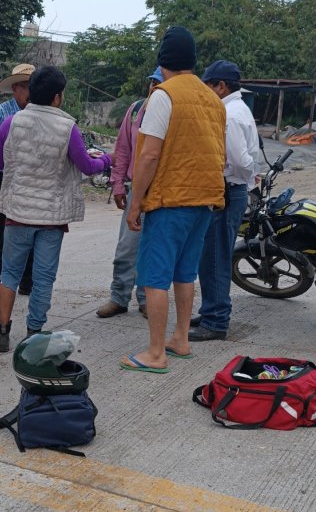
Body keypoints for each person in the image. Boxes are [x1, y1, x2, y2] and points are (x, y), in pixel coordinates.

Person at [119, 27, 226, 373]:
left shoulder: (163, 96)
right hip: (205, 200)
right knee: (185, 272)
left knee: (153, 276)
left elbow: (148, 155)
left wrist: (136, 203)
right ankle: (180, 338)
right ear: (193, 61)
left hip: (170, 199)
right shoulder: (212, 98)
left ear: (162, 61)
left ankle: (155, 353)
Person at [0, 66, 112, 352]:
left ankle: (3, 331)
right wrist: (105, 160)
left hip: (17, 214)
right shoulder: (67, 127)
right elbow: (86, 166)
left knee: (9, 274)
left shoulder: (11, 123)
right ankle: (34, 334)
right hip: (51, 220)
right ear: (57, 97)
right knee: (43, 278)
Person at [189, 60, 260, 341]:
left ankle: (216, 321)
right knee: (210, 257)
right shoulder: (236, 109)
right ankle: (211, 311)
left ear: (221, 86)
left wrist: (238, 178)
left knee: (216, 259)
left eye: (209, 85)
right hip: (232, 190)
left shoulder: (229, 114)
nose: (206, 90)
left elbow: (241, 161)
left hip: (228, 190)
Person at [96, 67, 163, 320]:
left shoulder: (174, 113)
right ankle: (118, 297)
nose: (154, 89)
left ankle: (146, 298)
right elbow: (122, 149)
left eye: (160, 84)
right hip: (136, 188)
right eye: (152, 83)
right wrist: (117, 184)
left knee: (153, 248)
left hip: (163, 191)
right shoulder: (136, 110)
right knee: (127, 246)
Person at [0, 64, 35, 306]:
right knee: (3, 233)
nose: (33, 92)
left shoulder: (35, 113)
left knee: (32, 230)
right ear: (16, 88)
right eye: (29, 87)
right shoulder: (1, 113)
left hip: (28, 180)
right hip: (4, 179)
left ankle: (27, 281)